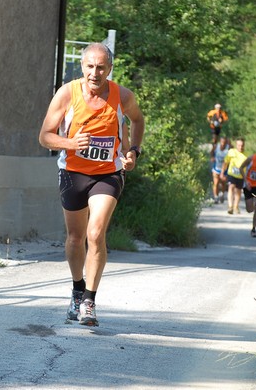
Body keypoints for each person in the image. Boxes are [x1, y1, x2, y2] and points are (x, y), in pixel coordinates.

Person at [38, 42, 145, 326]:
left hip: (108, 173)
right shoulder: (66, 94)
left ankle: (89, 300)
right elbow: (45, 136)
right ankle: (76, 288)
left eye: (101, 67)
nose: (94, 73)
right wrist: (71, 143)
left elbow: (138, 120)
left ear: (109, 69)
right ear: (82, 67)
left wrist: (133, 151)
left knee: (95, 233)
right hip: (73, 172)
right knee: (75, 237)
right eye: (90, 67)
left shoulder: (122, 95)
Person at [220, 137, 247, 215]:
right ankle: (230, 206)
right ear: (236, 145)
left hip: (241, 176)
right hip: (231, 174)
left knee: (238, 191)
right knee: (231, 187)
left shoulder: (246, 154)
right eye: (239, 145)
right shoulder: (231, 152)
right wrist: (222, 172)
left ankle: (236, 206)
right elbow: (225, 162)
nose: (240, 147)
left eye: (242, 145)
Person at [210, 135, 229, 203]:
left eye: (224, 142)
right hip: (216, 167)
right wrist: (212, 157)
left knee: (223, 183)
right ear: (220, 142)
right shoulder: (216, 147)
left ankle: (222, 194)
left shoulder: (228, 148)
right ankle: (216, 197)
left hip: (225, 169)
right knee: (216, 183)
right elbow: (211, 152)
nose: (223, 143)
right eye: (222, 142)